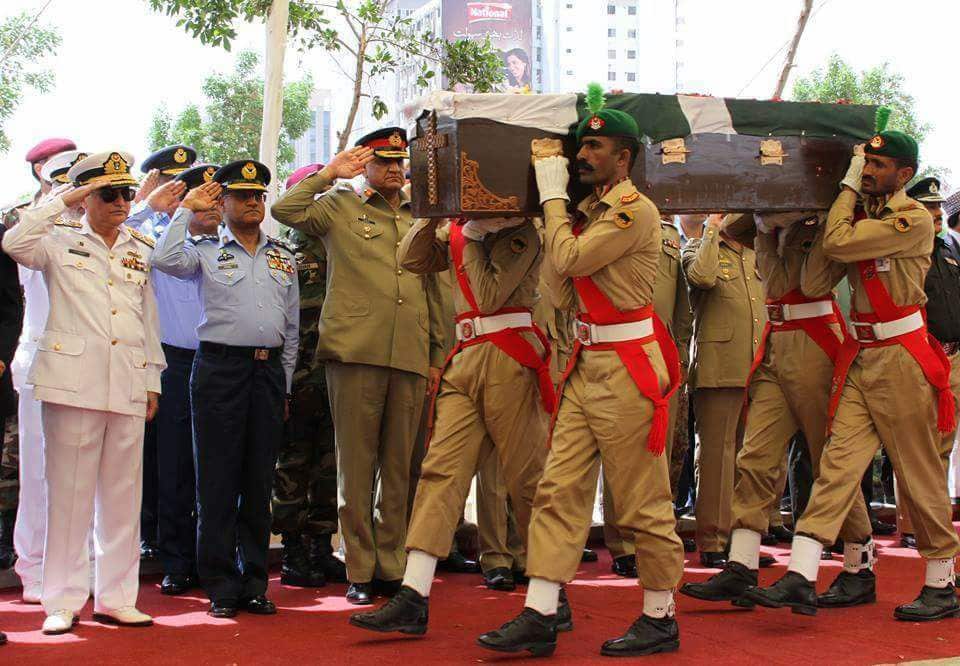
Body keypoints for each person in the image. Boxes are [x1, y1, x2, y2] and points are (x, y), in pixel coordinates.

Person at [476, 86, 683, 658]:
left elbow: (566, 260)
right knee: (557, 492)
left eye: (594, 146)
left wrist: (550, 200)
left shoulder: (631, 210)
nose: (581, 155)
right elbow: (558, 288)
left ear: (624, 157)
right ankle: (541, 610)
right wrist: (558, 216)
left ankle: (661, 613)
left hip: (627, 368)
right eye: (579, 146)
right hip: (585, 364)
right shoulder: (588, 213)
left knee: (642, 502)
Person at [744, 131, 960, 621]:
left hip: (902, 357)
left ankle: (941, 580)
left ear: (904, 174)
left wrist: (841, 192)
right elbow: (817, 280)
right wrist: (787, 227)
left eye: (878, 164)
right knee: (837, 465)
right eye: (865, 162)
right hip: (862, 354)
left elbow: (840, 242)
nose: (867, 170)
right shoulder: (866, 218)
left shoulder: (909, 219)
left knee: (917, 471)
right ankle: (801, 573)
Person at [348, 213, 552, 636]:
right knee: (439, 472)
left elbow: (490, 295)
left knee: (527, 481)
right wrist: (431, 218)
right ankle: (414, 593)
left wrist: (472, 238)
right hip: (466, 356)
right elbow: (412, 258)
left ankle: (550, 597)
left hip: (509, 354)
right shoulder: (462, 227)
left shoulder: (521, 231)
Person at [270, 129, 444, 605]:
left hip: (408, 352)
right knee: (356, 468)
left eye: (398, 161)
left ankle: (393, 565)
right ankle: (360, 568)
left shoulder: (419, 215)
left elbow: (433, 289)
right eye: (383, 160)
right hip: (355, 351)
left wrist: (435, 356)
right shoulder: (339, 206)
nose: (393, 168)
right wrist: (329, 173)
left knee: (400, 469)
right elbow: (284, 211)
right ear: (364, 165)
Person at [2, 150, 165, 634]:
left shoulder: (139, 244)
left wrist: (152, 379)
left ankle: (117, 597)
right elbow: (14, 241)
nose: (122, 201)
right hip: (73, 383)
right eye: (109, 193)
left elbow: (146, 319)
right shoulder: (55, 239)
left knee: (122, 498)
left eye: (127, 193)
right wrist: (62, 198)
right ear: (86, 197)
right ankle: (63, 599)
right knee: (69, 497)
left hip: (128, 379)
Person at [680, 212, 875, 608]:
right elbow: (734, 228)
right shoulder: (762, 226)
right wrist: (765, 213)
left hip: (814, 344)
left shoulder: (826, 225)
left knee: (828, 463)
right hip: (774, 343)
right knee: (754, 459)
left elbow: (815, 282)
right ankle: (742, 564)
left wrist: (809, 215)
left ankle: (859, 565)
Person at [152, 160, 298, 618]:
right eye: (240, 195)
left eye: (258, 195)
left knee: (258, 482)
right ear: (225, 202)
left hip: (267, 373)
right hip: (219, 369)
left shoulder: (283, 255)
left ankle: (255, 581)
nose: (251, 202)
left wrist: (286, 385)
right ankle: (220, 582)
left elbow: (290, 327)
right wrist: (185, 210)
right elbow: (163, 259)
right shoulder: (205, 250)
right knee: (215, 481)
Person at [0, 137, 76, 573]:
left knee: (80, 473)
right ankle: (33, 563)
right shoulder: (29, 225)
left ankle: (77, 561)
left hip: (82, 363)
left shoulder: (93, 231)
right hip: (37, 357)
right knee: (35, 469)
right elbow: (18, 245)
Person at [603, 215, 693, 576]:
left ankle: (652, 537)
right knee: (622, 451)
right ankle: (623, 542)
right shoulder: (613, 223)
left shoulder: (669, 233)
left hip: (662, 354)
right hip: (622, 350)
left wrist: (682, 353)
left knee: (658, 452)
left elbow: (683, 305)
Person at [141, 164, 216, 595]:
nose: (207, 205)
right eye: (195, 196)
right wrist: (158, 210)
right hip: (172, 361)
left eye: (213, 197)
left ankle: (215, 557)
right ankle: (175, 558)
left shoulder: (229, 243)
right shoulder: (156, 235)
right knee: (173, 467)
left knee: (218, 467)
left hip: (218, 360)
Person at [270, 163, 345, 588]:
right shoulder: (281, 253)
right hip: (297, 377)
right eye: (312, 195)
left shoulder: (342, 244)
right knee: (292, 465)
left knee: (330, 467)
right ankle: (294, 550)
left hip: (335, 373)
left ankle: (321, 545)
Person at [681, 214, 766, 567]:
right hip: (719, 368)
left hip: (757, 365)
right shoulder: (695, 249)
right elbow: (701, 276)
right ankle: (713, 540)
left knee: (753, 457)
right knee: (717, 456)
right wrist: (711, 229)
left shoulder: (752, 253)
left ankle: (742, 541)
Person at [127, 145, 196, 563]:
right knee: (156, 453)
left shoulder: (205, 228)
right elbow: (115, 239)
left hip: (206, 354)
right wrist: (141, 204)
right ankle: (153, 532)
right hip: (159, 354)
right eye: (170, 184)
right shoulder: (143, 228)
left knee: (193, 456)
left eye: (184, 184)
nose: (179, 192)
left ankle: (189, 539)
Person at [896, 177, 960, 549]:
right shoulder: (906, 249)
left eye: (938, 208)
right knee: (918, 446)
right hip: (921, 355)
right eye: (929, 207)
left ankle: (935, 522)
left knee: (944, 445)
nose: (937, 214)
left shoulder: (950, 250)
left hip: (953, 357)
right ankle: (911, 524)